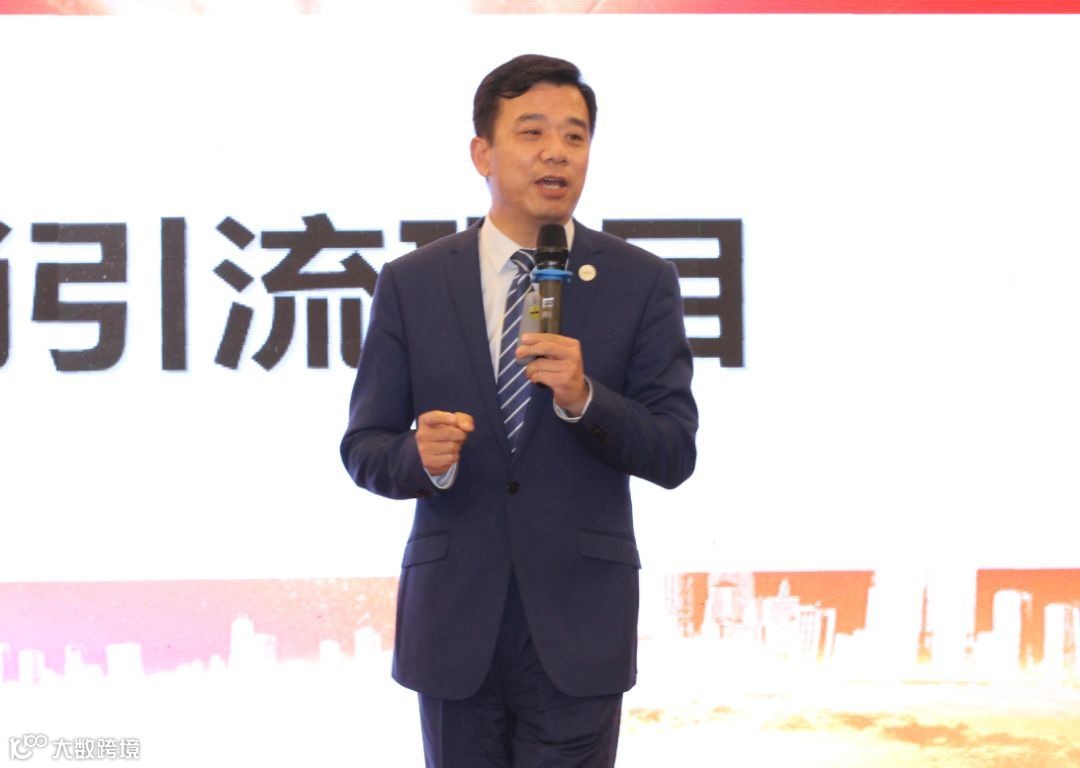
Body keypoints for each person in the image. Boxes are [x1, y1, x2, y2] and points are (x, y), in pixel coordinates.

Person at [340, 53, 698, 768]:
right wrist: (419, 457)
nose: (556, 152)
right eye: (532, 132)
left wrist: (585, 399)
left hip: (580, 623)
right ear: (483, 153)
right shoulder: (412, 283)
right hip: (454, 622)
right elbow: (364, 446)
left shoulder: (640, 281)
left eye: (574, 135)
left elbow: (673, 451)